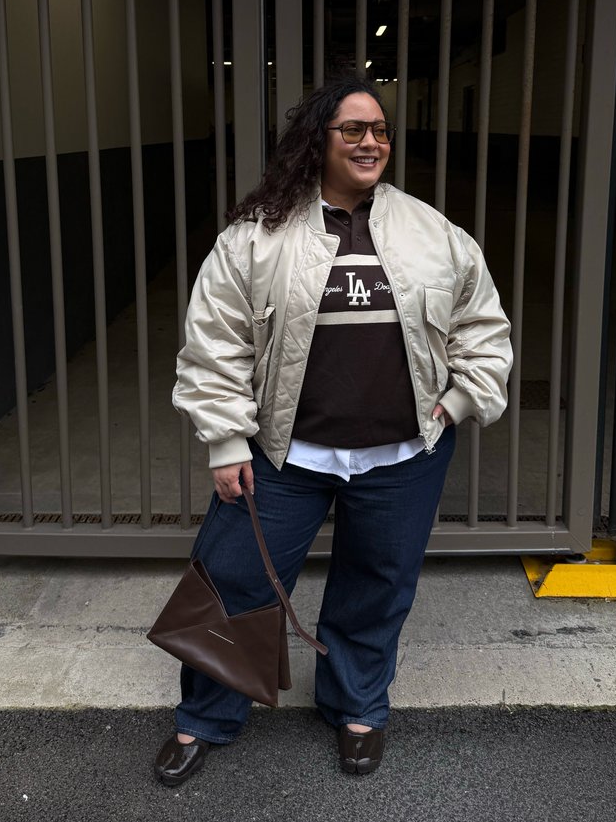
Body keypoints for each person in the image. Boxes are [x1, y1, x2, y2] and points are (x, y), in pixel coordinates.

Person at [154, 76, 512, 785]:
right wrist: (226, 438)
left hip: (404, 453)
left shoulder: (432, 231)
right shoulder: (257, 237)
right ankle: (206, 716)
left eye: (379, 129)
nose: (371, 140)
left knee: (378, 583)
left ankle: (356, 706)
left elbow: (481, 323)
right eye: (352, 129)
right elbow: (215, 341)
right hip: (286, 453)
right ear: (317, 139)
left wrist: (459, 400)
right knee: (235, 578)